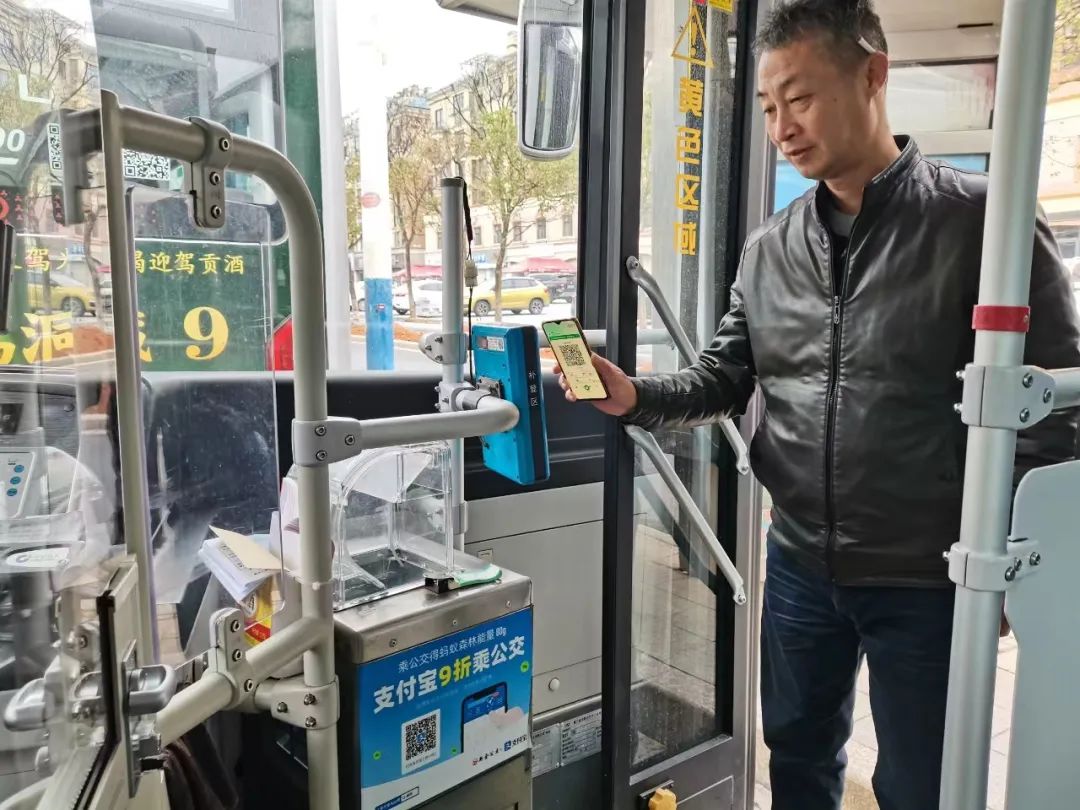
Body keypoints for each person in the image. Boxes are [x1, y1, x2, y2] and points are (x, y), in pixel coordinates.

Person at [556, 1, 1080, 809]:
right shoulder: (771, 246)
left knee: (922, 784)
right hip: (801, 563)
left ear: (873, 74)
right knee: (797, 760)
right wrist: (635, 396)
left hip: (929, 574)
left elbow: (1050, 403)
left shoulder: (982, 223)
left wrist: (1015, 562)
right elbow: (722, 378)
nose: (781, 127)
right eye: (768, 107)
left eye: (798, 98)